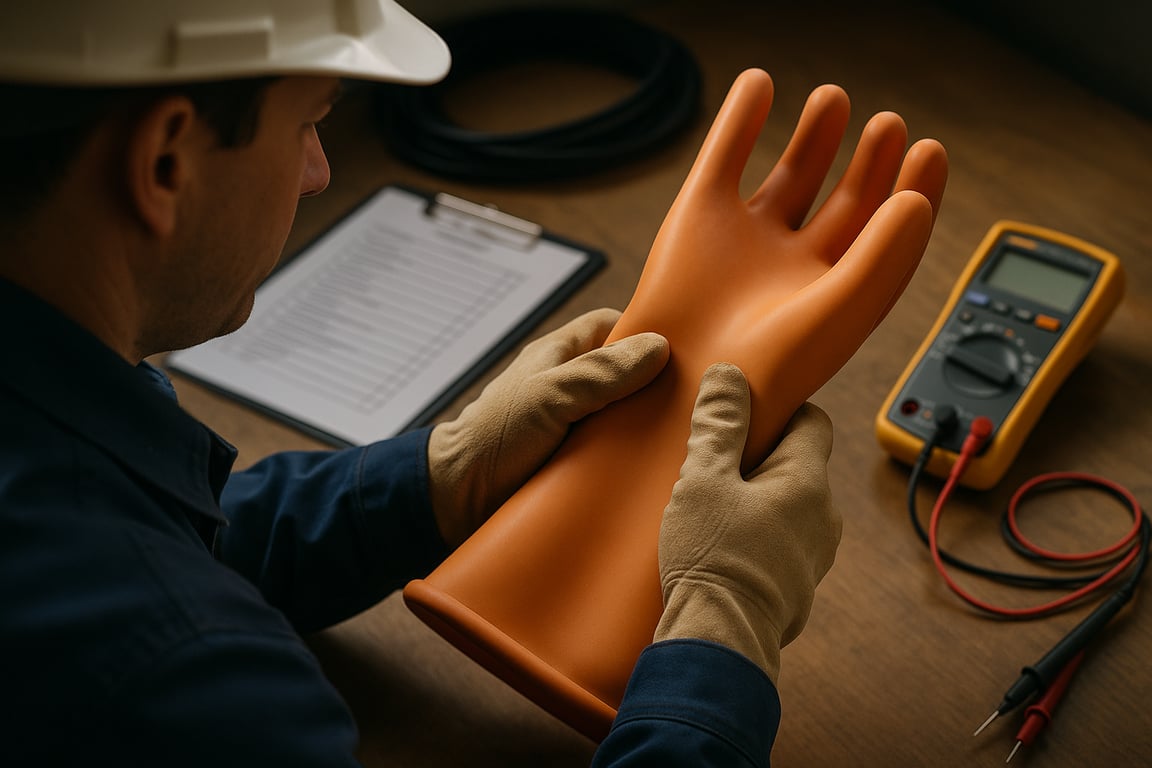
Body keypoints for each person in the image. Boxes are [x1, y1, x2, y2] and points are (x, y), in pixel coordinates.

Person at [0, 2, 841, 766]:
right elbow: (150, 611)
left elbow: (153, 540)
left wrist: (444, 472)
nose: (318, 172)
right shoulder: (195, 695)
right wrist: (724, 627)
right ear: (166, 163)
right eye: (309, 121)